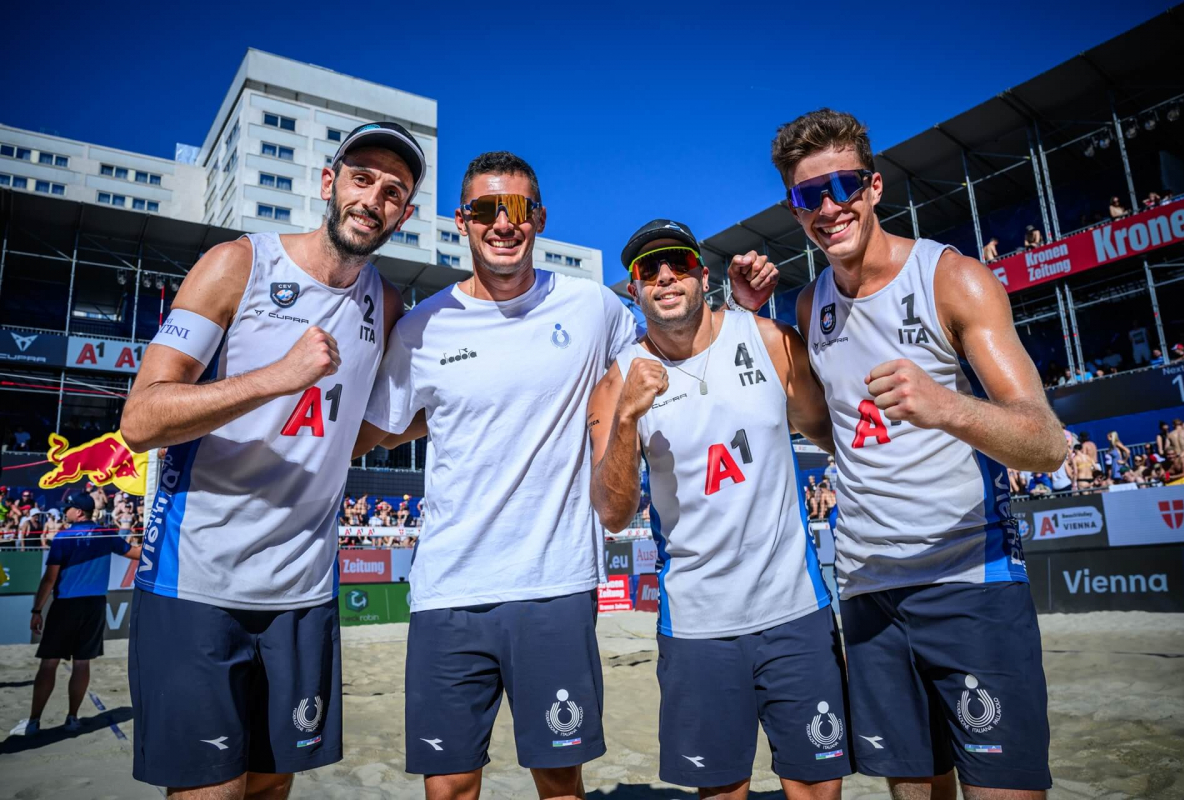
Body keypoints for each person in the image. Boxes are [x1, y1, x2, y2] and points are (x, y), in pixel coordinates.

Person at [356, 153, 775, 800]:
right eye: (486, 210)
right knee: (449, 785)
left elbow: (677, 342)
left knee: (559, 782)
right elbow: (382, 428)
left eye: (518, 209)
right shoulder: (424, 326)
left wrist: (741, 314)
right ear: (461, 222)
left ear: (539, 220)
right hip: (448, 587)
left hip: (555, 582)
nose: (503, 223)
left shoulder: (590, 307)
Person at [117, 121, 428, 798]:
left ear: (404, 215)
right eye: (361, 177)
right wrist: (279, 377)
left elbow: (362, 430)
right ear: (329, 183)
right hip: (198, 582)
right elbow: (141, 420)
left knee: (268, 788)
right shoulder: (239, 264)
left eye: (393, 190)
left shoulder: (387, 303)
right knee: (213, 791)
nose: (373, 197)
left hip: (303, 595)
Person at [773, 108, 1064, 798]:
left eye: (841, 185)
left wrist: (945, 406)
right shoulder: (811, 304)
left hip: (969, 580)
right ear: (794, 208)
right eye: (807, 195)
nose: (828, 206)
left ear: (873, 187)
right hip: (870, 591)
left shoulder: (950, 278)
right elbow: (832, 433)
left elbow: (1047, 442)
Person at [589, 221, 850, 798]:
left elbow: (830, 431)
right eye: (647, 271)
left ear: (701, 274)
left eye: (678, 263)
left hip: (794, 609)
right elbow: (611, 513)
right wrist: (629, 419)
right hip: (698, 623)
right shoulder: (619, 381)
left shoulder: (768, 337)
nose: (665, 277)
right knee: (721, 790)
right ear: (633, 290)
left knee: (817, 788)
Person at [9, 492, 141, 736]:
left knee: (49, 663)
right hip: (94, 605)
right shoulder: (105, 534)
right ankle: (72, 718)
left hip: (67, 605)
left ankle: (33, 722)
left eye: (68, 508)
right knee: (82, 662)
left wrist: (37, 610)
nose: (64, 512)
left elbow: (49, 579)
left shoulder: (63, 537)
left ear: (79, 512)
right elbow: (136, 553)